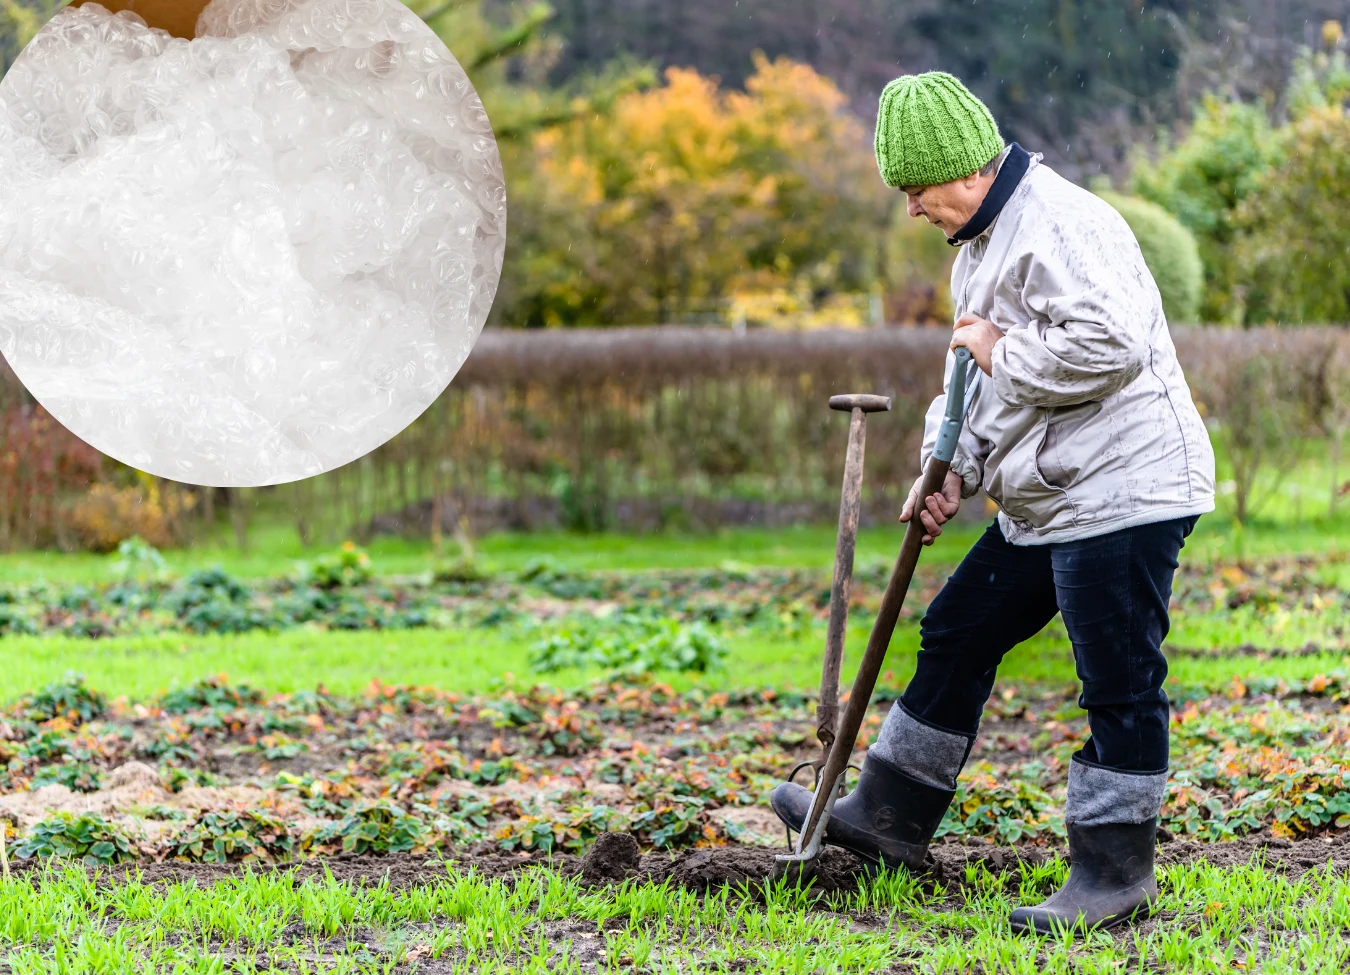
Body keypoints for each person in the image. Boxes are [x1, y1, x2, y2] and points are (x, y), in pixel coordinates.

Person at [770, 71, 1215, 935]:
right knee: (959, 629)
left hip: (1124, 487)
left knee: (1117, 678)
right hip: (1051, 493)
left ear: (964, 171)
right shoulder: (980, 243)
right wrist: (950, 466)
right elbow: (976, 383)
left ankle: (1113, 873)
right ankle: (888, 815)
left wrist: (1001, 344)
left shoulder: (1063, 223)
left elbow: (1111, 346)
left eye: (914, 190)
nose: (911, 210)